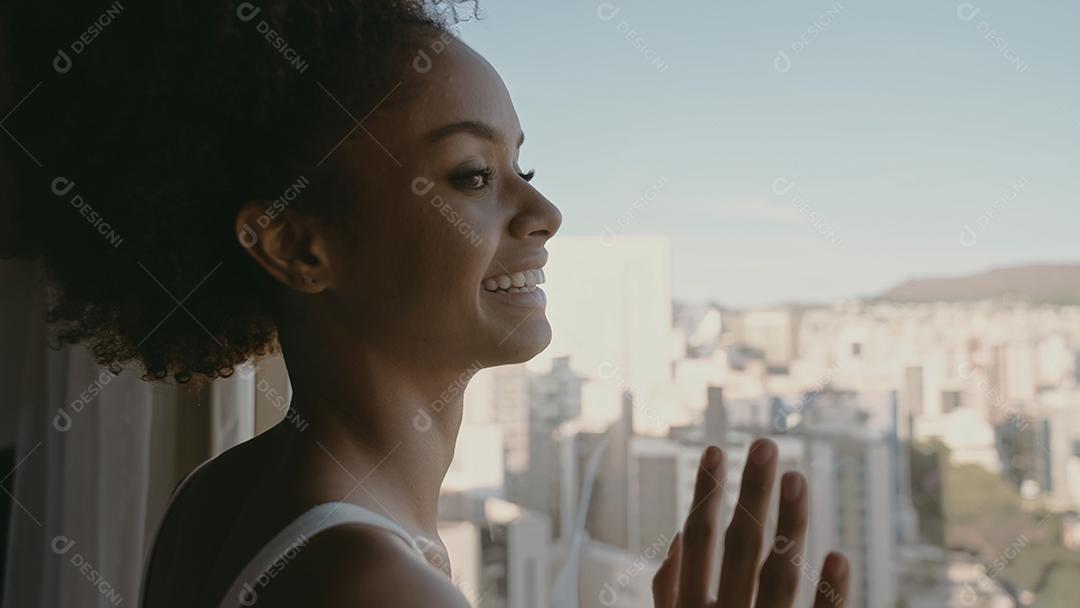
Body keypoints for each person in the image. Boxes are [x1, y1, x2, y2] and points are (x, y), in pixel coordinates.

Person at [3, 1, 848, 606]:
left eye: (526, 168)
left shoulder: (221, 498)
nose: (545, 216)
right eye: (473, 176)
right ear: (300, 246)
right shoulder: (376, 585)